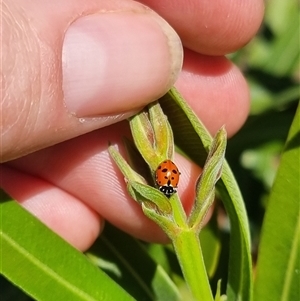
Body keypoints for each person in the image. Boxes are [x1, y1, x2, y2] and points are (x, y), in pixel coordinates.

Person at [0, 0, 264, 251]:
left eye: (166, 185)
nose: (167, 184)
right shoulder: (166, 174)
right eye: (166, 185)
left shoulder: (166, 175)